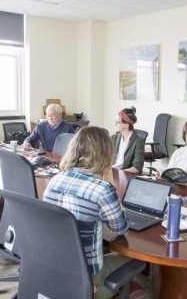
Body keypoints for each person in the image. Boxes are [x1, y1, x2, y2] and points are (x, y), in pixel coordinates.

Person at [43, 127, 131, 298]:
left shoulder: (55, 180)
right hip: (88, 279)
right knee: (140, 259)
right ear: (105, 154)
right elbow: (120, 228)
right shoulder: (102, 190)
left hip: (57, 270)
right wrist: (111, 183)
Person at [112, 106, 145, 173]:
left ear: (126, 125)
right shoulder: (113, 138)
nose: (115, 125)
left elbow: (137, 168)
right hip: (110, 172)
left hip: (123, 174)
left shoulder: (138, 142)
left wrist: (119, 172)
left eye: (117, 122)